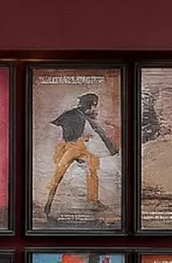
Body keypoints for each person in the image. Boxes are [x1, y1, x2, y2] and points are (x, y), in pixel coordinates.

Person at [42, 91, 119, 219]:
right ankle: (48, 201)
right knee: (59, 173)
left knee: (92, 168)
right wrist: (62, 143)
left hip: (83, 146)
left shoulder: (86, 116)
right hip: (71, 146)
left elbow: (99, 133)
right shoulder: (72, 114)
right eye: (94, 106)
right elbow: (54, 127)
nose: (95, 108)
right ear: (89, 105)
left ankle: (93, 200)